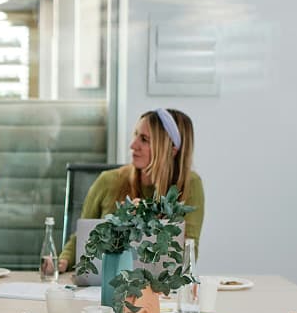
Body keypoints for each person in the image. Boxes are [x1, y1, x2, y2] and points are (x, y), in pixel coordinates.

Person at [58, 108, 205, 273]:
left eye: (144, 139)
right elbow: (82, 238)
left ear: (170, 149)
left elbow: (188, 252)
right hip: (104, 284)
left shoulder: (190, 184)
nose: (133, 145)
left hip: (161, 291)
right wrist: (61, 262)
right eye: (135, 135)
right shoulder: (108, 181)